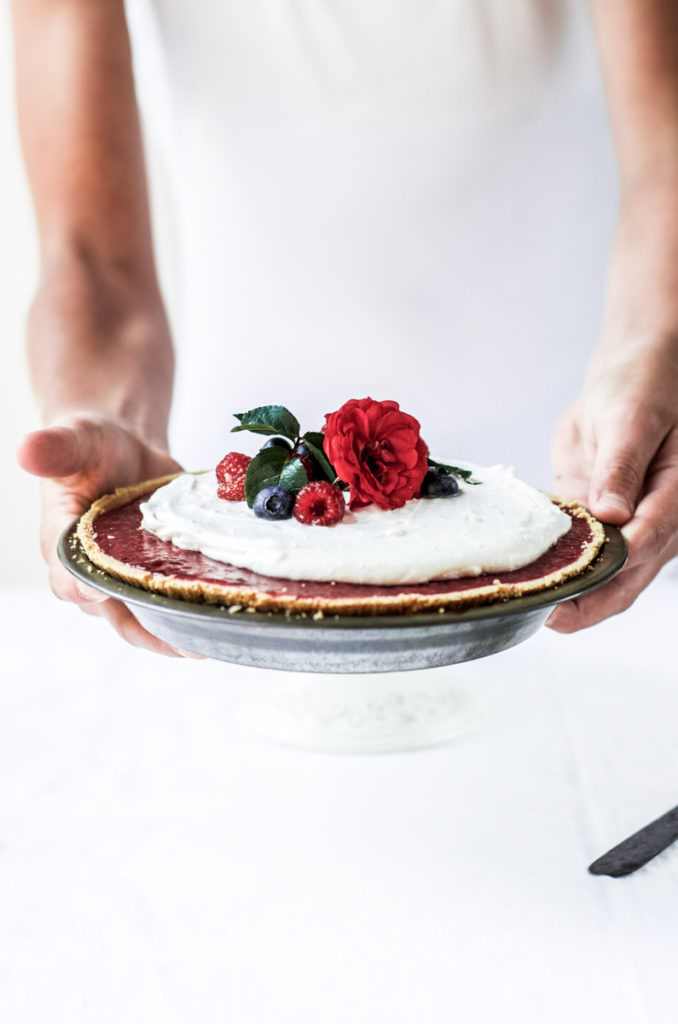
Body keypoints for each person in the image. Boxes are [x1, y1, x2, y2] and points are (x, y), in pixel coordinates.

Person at [11, 0, 678, 656]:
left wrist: (654, 347)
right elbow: (93, 258)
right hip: (235, 529)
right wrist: (110, 415)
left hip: (571, 480)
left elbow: (664, 156)